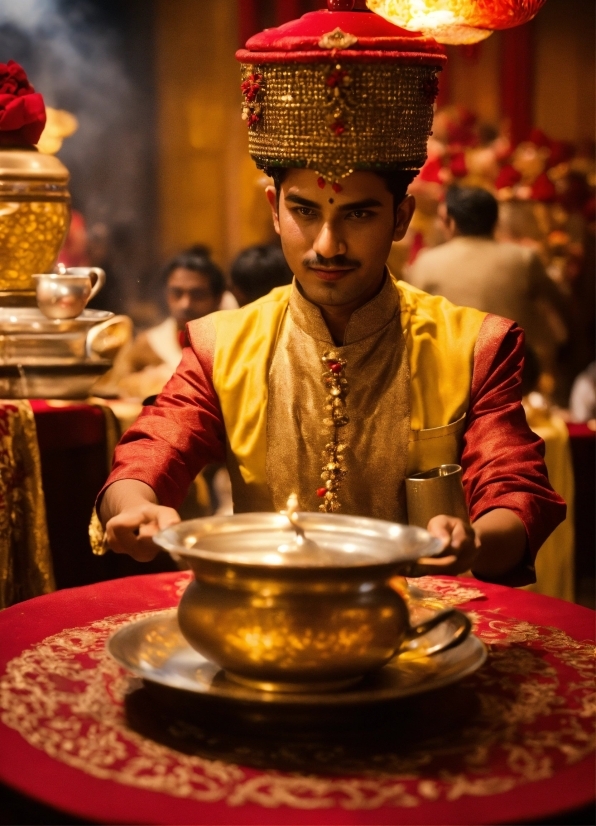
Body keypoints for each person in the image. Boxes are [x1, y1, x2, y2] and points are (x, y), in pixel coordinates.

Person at [98, 3, 565, 587]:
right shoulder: (226, 344)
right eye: (304, 211)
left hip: (422, 635)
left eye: (359, 214)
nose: (328, 244)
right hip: (264, 627)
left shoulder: (473, 345)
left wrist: (474, 540)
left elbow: (514, 489)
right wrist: (133, 504)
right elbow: (153, 447)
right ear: (274, 210)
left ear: (401, 217)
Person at [406, 186, 568, 371]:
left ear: (451, 223)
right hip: (512, 372)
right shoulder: (523, 258)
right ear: (495, 219)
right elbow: (560, 305)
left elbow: (408, 323)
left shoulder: (427, 263)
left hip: (448, 373)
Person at [106, 245, 226, 399]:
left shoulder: (230, 344)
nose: (185, 304)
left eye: (198, 295)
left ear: (218, 298)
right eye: (177, 293)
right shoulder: (149, 344)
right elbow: (118, 388)